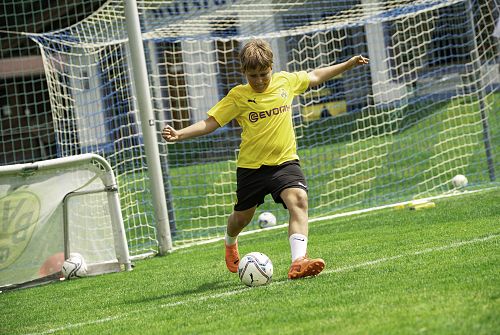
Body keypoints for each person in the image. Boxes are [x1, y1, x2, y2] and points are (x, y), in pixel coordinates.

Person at [162, 39, 369, 279]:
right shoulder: (238, 96)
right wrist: (180, 133)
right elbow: (211, 122)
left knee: (299, 199)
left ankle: (298, 261)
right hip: (252, 168)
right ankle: (230, 243)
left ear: (272, 67)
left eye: (264, 74)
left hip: (285, 162)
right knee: (241, 218)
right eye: (253, 76)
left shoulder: (286, 82)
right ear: (244, 72)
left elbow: (315, 76)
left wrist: (348, 64)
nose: (259, 80)